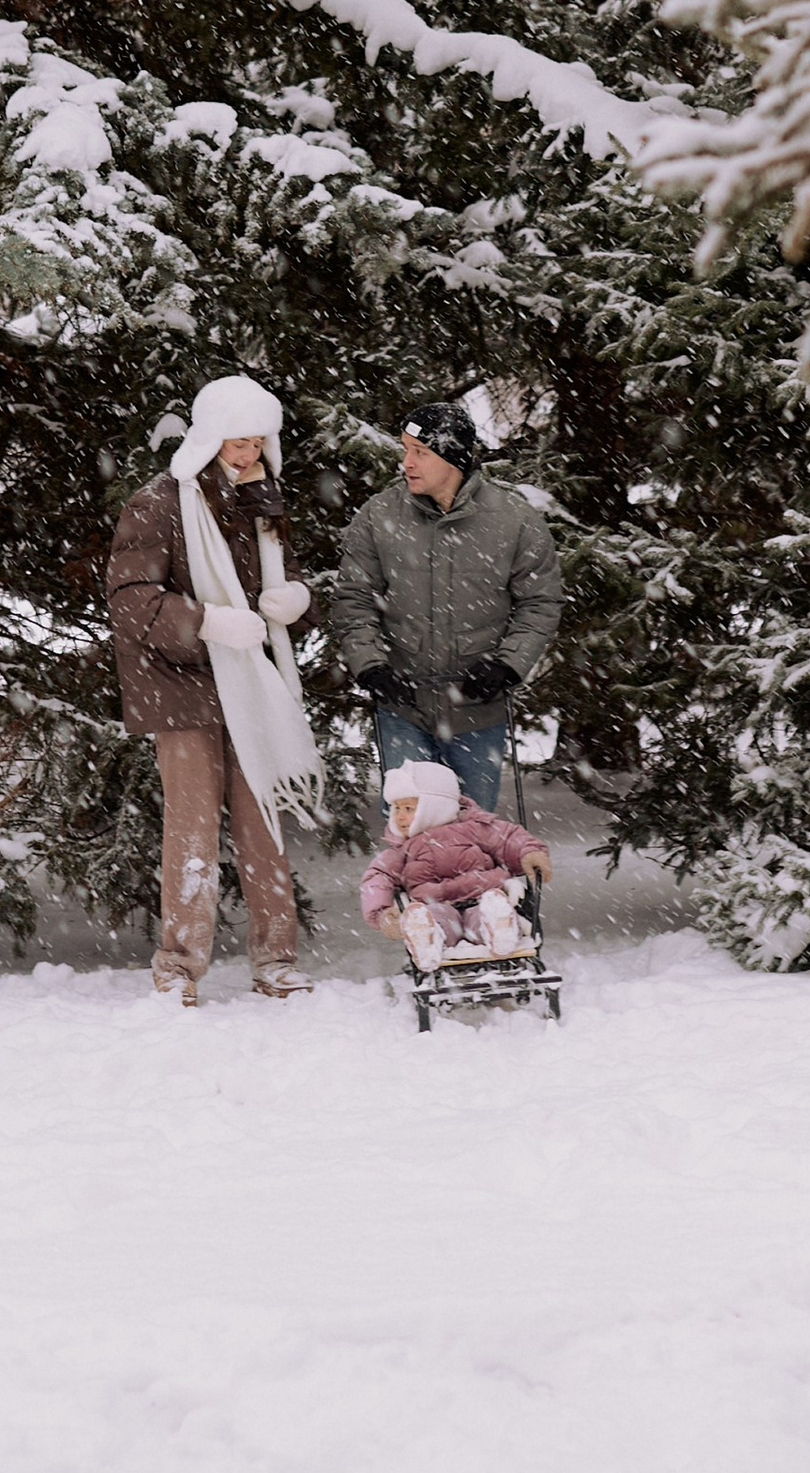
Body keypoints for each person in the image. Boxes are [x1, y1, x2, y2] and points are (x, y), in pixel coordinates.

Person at [106, 371, 321, 1005]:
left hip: (252, 682)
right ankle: (178, 966)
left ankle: (276, 958)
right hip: (182, 688)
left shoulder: (265, 498)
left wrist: (296, 601)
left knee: (263, 821)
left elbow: (278, 578)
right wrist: (204, 623)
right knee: (193, 829)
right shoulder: (158, 502)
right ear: (209, 438)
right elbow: (131, 599)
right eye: (237, 442)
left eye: (258, 442)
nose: (248, 453)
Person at [329, 396, 563, 810]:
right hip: (402, 703)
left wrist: (508, 665)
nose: (407, 463)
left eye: (419, 452)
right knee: (409, 834)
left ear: (452, 456)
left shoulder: (514, 520)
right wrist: (371, 665)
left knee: (474, 836)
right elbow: (354, 599)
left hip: (478, 707)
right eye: (405, 451)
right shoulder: (379, 515)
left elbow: (540, 603)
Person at [359, 756, 552, 968]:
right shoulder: (403, 849)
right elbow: (378, 876)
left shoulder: (473, 827)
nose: (400, 817)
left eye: (408, 809)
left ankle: (499, 928)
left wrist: (529, 852)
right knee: (436, 922)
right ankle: (427, 938)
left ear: (435, 805)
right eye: (396, 809)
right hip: (436, 906)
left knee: (485, 915)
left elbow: (508, 838)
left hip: (482, 898)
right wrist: (382, 912)